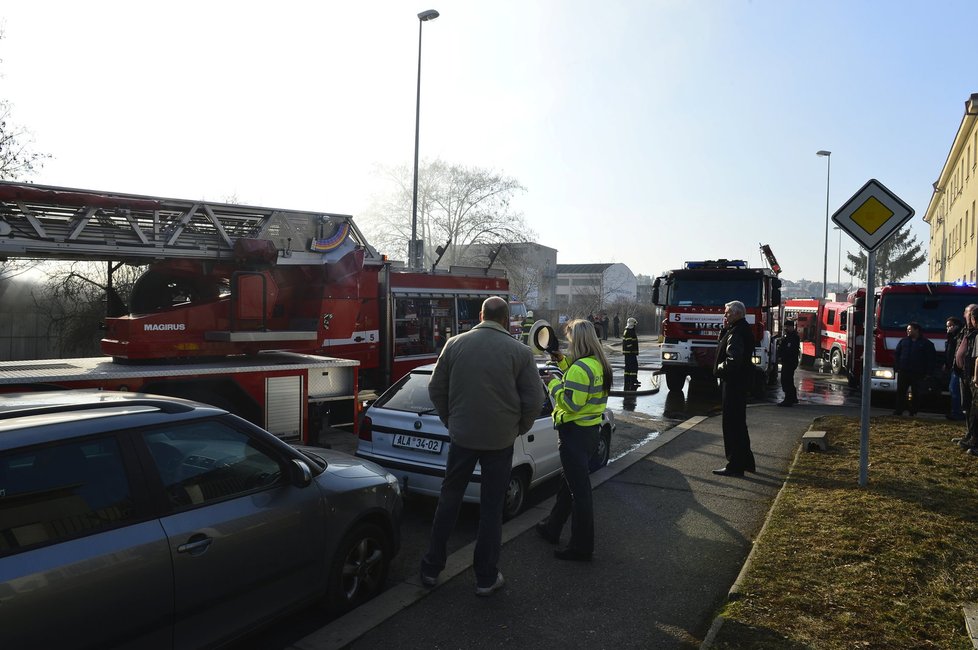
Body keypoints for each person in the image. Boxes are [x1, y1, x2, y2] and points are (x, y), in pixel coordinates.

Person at [420, 296, 544, 596]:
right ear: (505, 320)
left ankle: (431, 569)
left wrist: (451, 420)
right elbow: (535, 399)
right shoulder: (520, 352)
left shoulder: (455, 345)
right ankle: (486, 578)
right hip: (500, 440)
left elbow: (435, 388)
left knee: (449, 499)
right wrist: (519, 428)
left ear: (481, 315)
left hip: (462, 437)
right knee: (491, 508)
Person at [535, 319, 612, 561]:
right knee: (568, 485)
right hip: (590, 433)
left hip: (574, 435)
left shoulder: (580, 369)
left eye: (569, 339)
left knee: (579, 493)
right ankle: (551, 528)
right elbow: (581, 380)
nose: (567, 343)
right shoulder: (597, 364)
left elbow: (570, 402)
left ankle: (581, 546)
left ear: (577, 340)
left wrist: (554, 384)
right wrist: (562, 362)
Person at [712, 300, 756, 477]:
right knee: (739, 424)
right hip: (740, 383)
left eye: (727, 313)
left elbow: (733, 360)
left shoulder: (737, 333)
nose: (725, 315)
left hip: (733, 384)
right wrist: (724, 330)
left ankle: (735, 466)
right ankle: (747, 462)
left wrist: (718, 370)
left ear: (738, 314)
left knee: (732, 426)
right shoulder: (739, 329)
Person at [892, 321, 936, 416]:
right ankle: (899, 410)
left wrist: (928, 373)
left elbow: (930, 359)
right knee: (901, 392)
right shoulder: (903, 341)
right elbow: (896, 354)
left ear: (917, 330)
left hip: (918, 373)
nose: (907, 331)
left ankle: (913, 411)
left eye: (910, 329)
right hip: (903, 371)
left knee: (916, 393)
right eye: (907, 329)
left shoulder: (926, 343)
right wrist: (897, 367)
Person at [954, 305, 978, 450]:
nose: (966, 316)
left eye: (969, 314)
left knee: (975, 409)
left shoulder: (975, 333)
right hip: (963, 373)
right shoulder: (964, 331)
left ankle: (974, 438)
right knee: (967, 406)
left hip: (973, 375)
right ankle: (969, 434)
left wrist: (974, 377)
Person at [777, 319, 800, 407]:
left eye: (787, 327)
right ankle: (793, 398)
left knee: (786, 380)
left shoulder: (793, 337)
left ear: (791, 327)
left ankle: (788, 399)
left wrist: (782, 355)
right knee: (789, 380)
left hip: (789, 361)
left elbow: (789, 349)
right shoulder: (788, 336)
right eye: (785, 326)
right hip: (788, 361)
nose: (785, 328)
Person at [946, 316, 965, 420]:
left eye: (950, 326)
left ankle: (957, 413)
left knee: (955, 390)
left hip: (958, 368)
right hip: (953, 367)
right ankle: (955, 411)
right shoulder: (951, 337)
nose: (948, 328)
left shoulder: (959, 336)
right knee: (953, 389)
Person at [622, 317, 639, 390]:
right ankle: (633, 380)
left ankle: (628, 380)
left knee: (628, 368)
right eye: (635, 324)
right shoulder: (630, 331)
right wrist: (633, 351)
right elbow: (629, 343)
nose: (635, 326)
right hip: (630, 353)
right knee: (633, 366)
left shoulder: (627, 330)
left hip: (628, 353)